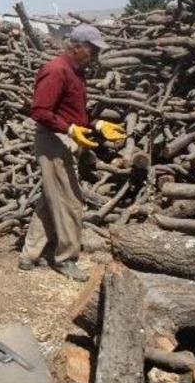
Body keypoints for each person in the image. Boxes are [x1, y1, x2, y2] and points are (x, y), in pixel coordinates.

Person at [18, 24, 126, 282]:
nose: (96, 56)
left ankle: (29, 254)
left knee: (51, 199)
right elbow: (40, 111)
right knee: (70, 202)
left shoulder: (77, 73)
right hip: (53, 140)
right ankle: (66, 258)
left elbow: (74, 113)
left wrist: (97, 125)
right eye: (92, 50)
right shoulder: (56, 71)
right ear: (76, 47)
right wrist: (69, 130)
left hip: (64, 138)